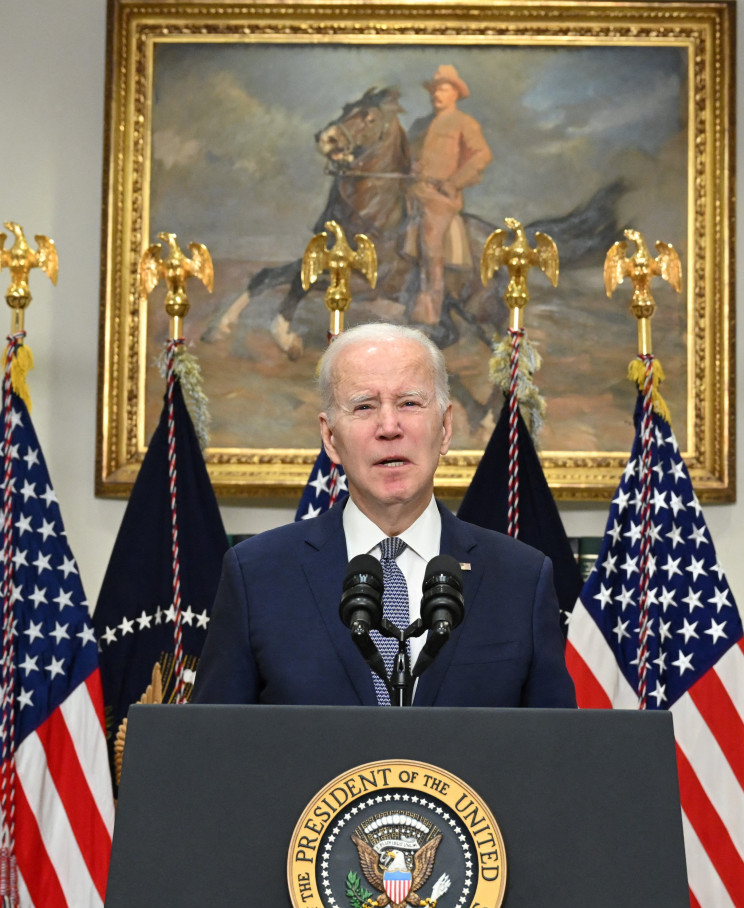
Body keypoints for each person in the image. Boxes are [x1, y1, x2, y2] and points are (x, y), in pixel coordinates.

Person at [191, 323, 573, 707]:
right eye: (364, 406)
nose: (389, 427)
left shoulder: (521, 578)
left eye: (409, 403)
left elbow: (557, 754)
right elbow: (213, 749)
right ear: (330, 438)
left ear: (444, 427)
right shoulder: (256, 576)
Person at [403, 64, 492, 326]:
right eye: (434, 90)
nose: (436, 95)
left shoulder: (464, 122)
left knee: (431, 245)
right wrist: (411, 167)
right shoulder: (420, 124)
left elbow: (482, 155)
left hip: (440, 198)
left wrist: (454, 183)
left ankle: (431, 309)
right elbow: (408, 156)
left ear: (455, 93)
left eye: (442, 89)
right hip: (412, 191)